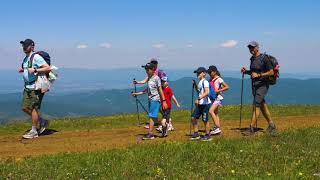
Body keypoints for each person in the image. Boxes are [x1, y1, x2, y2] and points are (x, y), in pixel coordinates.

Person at [241, 41, 277, 135]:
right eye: (249, 48)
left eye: (252, 48)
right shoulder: (252, 59)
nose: (251, 49)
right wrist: (246, 72)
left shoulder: (264, 58)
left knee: (256, 104)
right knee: (262, 104)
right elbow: (254, 73)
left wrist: (259, 75)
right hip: (255, 85)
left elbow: (271, 72)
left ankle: (251, 128)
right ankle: (271, 124)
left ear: (257, 47)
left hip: (263, 85)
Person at [18, 39, 51, 139]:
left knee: (33, 109)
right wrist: (23, 70)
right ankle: (42, 121)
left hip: (35, 87)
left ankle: (34, 131)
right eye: (23, 45)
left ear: (32, 47)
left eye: (26, 46)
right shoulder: (26, 58)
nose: (24, 47)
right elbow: (29, 69)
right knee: (24, 107)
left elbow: (48, 67)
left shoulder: (36, 57)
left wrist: (36, 70)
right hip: (27, 87)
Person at [132, 63, 168, 140]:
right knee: (152, 117)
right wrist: (137, 83)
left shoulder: (156, 78)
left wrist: (164, 100)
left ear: (153, 70)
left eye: (148, 70)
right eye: (146, 70)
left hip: (155, 99)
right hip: (150, 99)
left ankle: (150, 134)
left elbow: (160, 89)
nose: (146, 71)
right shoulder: (149, 77)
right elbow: (144, 83)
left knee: (151, 116)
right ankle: (164, 124)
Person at [190, 67, 212, 141]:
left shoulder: (205, 82)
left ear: (204, 73)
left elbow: (207, 92)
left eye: (199, 73)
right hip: (200, 104)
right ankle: (196, 133)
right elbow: (199, 92)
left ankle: (208, 135)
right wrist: (195, 85)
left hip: (205, 104)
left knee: (205, 119)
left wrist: (199, 98)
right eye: (197, 73)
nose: (197, 74)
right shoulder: (200, 82)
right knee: (193, 117)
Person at [207, 66, 229, 135]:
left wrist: (218, 91)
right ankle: (217, 128)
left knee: (211, 111)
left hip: (218, 98)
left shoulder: (219, 79)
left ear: (215, 72)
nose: (209, 73)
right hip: (213, 98)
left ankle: (217, 128)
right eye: (209, 72)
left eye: (210, 72)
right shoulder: (210, 79)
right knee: (216, 113)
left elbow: (227, 86)